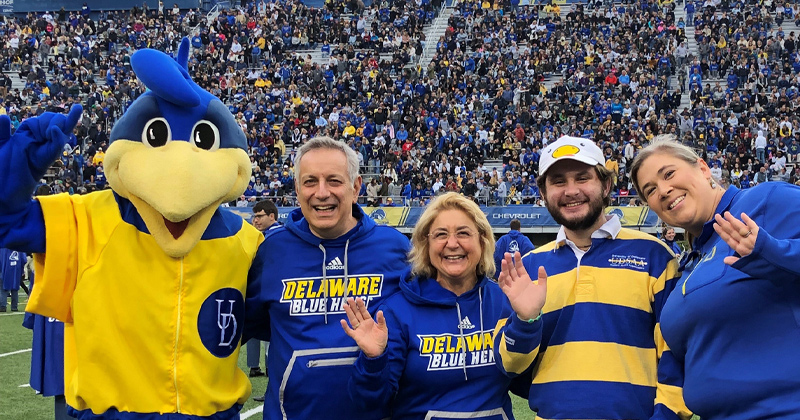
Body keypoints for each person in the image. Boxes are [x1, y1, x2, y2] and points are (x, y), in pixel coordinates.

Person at [493, 136, 690, 420]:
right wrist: (526, 321)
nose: (571, 191)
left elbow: (677, 356)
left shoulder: (654, 257)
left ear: (606, 185)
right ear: (544, 192)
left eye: (583, 178)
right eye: (558, 181)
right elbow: (510, 367)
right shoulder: (530, 267)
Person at [630, 135, 800, 419]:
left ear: (703, 168)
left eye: (668, 173)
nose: (662, 190)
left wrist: (772, 253)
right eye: (650, 190)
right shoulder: (686, 266)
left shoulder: (765, 201)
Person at [244, 136, 410, 420]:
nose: (322, 193)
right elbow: (254, 323)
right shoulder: (271, 251)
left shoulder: (395, 248)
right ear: (297, 190)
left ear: (356, 187)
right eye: (310, 182)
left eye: (334, 180)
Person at [341, 192, 516, 419]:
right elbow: (369, 403)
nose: (452, 244)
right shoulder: (397, 312)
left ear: (482, 240)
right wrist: (374, 361)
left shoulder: (503, 301)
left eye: (463, 233)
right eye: (441, 234)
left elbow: (524, 383)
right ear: (426, 244)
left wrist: (528, 320)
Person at [246, 199, 283, 383]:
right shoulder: (260, 235)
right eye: (254, 216)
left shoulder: (278, 235)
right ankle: (257, 367)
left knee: (272, 340)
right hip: (260, 292)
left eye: (260, 216)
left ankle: (271, 375)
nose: (256, 220)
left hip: (273, 294)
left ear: (272, 216)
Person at [0, 248, 26, 312]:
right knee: (15, 289)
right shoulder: (18, 246)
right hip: (16, 270)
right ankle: (14, 307)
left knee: (3, 289)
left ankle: (2, 306)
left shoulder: (3, 246)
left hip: (4, 270)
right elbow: (24, 259)